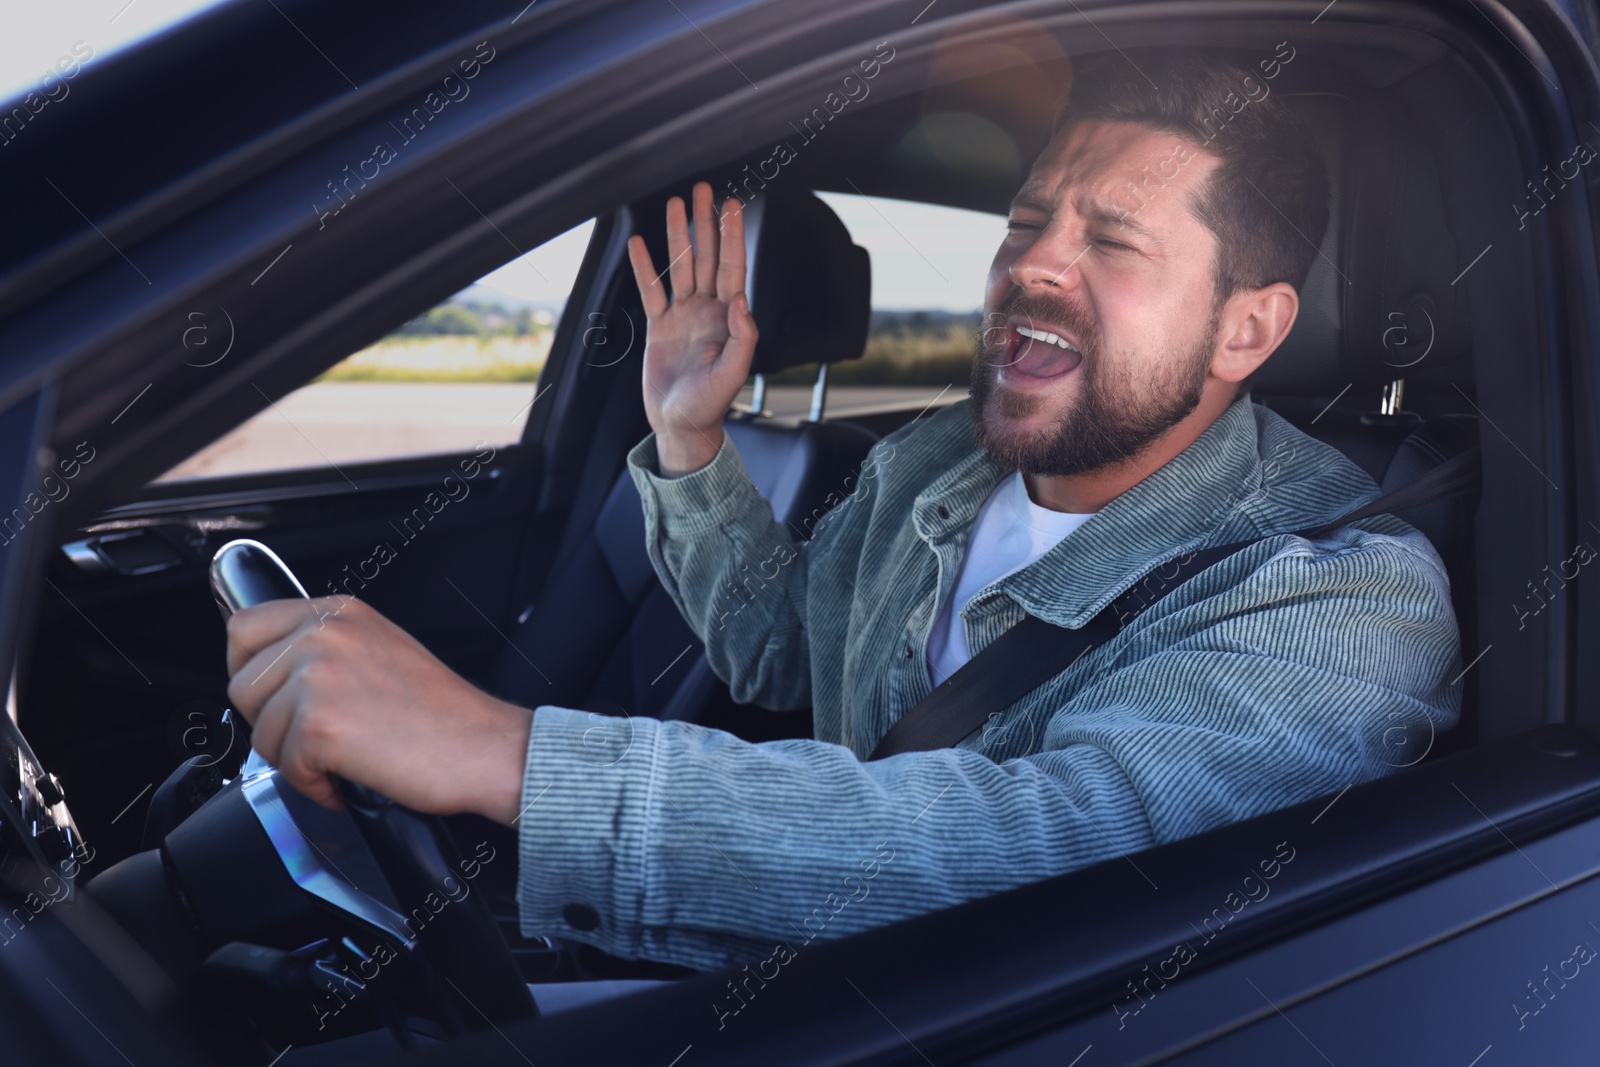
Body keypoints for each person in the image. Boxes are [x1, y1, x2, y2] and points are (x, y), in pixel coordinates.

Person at [225, 53, 1463, 977]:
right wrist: (689, 434)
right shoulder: (939, 461)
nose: (1033, 264)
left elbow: (1039, 854)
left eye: (1114, 240)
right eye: (1028, 220)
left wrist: (508, 754)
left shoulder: (1338, 592)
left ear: (1247, 325)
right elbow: (773, 646)